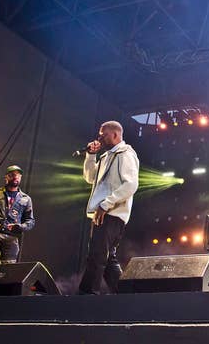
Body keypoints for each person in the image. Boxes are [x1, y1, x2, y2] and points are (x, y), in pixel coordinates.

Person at [78, 120, 139, 294]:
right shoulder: (106, 156)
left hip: (111, 213)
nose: (99, 138)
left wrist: (106, 204)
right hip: (101, 213)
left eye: (103, 134)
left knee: (97, 257)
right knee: (106, 258)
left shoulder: (125, 153)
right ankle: (124, 295)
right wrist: (90, 156)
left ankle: (87, 295)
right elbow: (90, 178)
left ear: (115, 134)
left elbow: (131, 185)